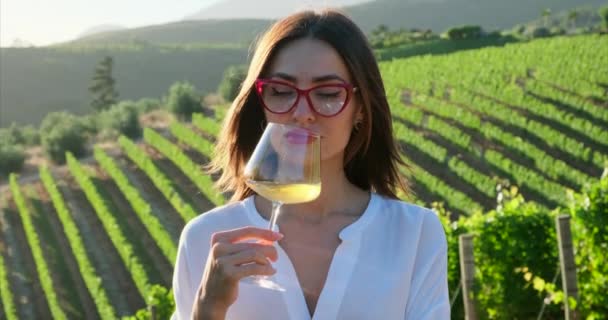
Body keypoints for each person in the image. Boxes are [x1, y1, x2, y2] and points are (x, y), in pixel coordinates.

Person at [171, 8, 449, 320]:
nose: (302, 112)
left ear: (361, 108)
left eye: (328, 93)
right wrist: (208, 310)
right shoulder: (205, 239)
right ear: (261, 104)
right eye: (281, 91)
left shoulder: (414, 233)